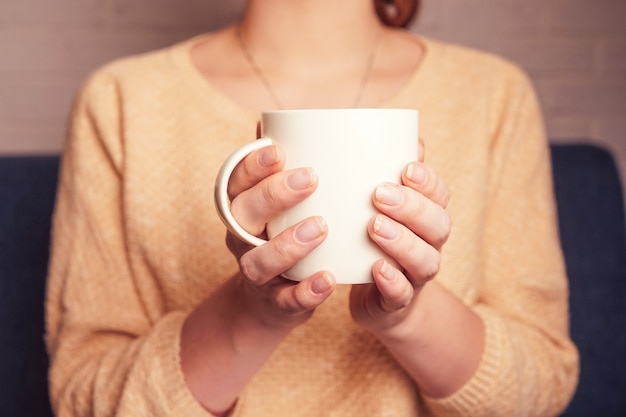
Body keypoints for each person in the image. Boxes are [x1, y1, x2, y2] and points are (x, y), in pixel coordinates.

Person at [44, 0, 580, 416]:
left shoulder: (493, 95)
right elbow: (81, 397)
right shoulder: (119, 101)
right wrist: (250, 315)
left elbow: (540, 388)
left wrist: (411, 316)